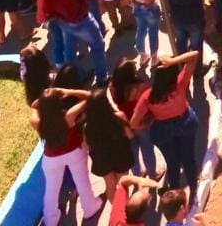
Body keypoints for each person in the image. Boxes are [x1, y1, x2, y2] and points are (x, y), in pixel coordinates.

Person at [29, 81, 103, 226]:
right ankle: (90, 208)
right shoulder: (68, 116)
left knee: (51, 189)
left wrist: (41, 101)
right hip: (74, 152)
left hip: (51, 159)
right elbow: (90, 97)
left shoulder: (37, 122)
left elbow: (33, 106)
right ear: (59, 103)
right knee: (82, 181)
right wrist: (68, 90)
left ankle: (51, 219)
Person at [130, 51, 201, 190]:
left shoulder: (147, 96)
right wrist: (173, 61)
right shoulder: (180, 84)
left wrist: (148, 122)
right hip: (185, 124)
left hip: (162, 131)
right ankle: (193, 186)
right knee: (188, 158)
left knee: (172, 162)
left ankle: (174, 190)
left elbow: (133, 123)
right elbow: (194, 55)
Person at [39, 0, 110, 81]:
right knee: (97, 46)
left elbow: (48, 9)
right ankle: (102, 78)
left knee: (70, 54)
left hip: (65, 24)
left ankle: (79, 77)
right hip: (83, 23)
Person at [82, 85, 134, 200]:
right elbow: (130, 135)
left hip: (102, 159)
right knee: (123, 184)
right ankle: (125, 209)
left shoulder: (88, 127)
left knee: (110, 187)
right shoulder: (119, 117)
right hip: (121, 155)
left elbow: (87, 146)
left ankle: (117, 211)